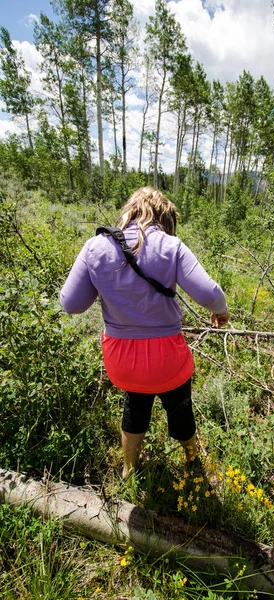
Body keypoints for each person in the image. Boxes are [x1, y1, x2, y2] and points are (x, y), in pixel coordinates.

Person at [60, 187, 229, 480]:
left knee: (135, 405)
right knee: (180, 407)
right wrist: (221, 310)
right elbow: (209, 292)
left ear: (131, 209)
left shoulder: (96, 246)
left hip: (122, 359)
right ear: (165, 216)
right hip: (167, 359)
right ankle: (193, 464)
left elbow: (72, 304)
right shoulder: (171, 245)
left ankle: (129, 470)